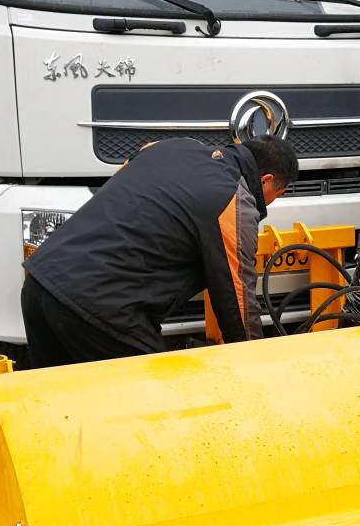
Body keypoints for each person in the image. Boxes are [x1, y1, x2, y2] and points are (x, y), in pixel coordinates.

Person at [21, 135, 299, 367]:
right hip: (99, 305)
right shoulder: (233, 199)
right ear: (265, 180)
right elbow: (237, 300)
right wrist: (258, 367)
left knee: (58, 410)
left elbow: (123, 192)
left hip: (40, 281)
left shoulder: (166, 147)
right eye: (279, 192)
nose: (272, 201)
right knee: (149, 409)